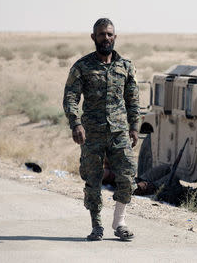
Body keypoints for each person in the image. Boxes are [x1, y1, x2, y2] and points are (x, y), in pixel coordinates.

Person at [63, 18, 139, 241]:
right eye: (101, 34)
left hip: (119, 133)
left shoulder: (126, 66)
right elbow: (70, 97)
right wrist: (75, 123)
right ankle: (97, 226)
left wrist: (134, 127)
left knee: (127, 176)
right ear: (93, 37)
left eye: (109, 34)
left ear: (114, 37)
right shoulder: (82, 67)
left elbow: (133, 99)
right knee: (93, 180)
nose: (106, 38)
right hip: (92, 134)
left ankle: (120, 222)